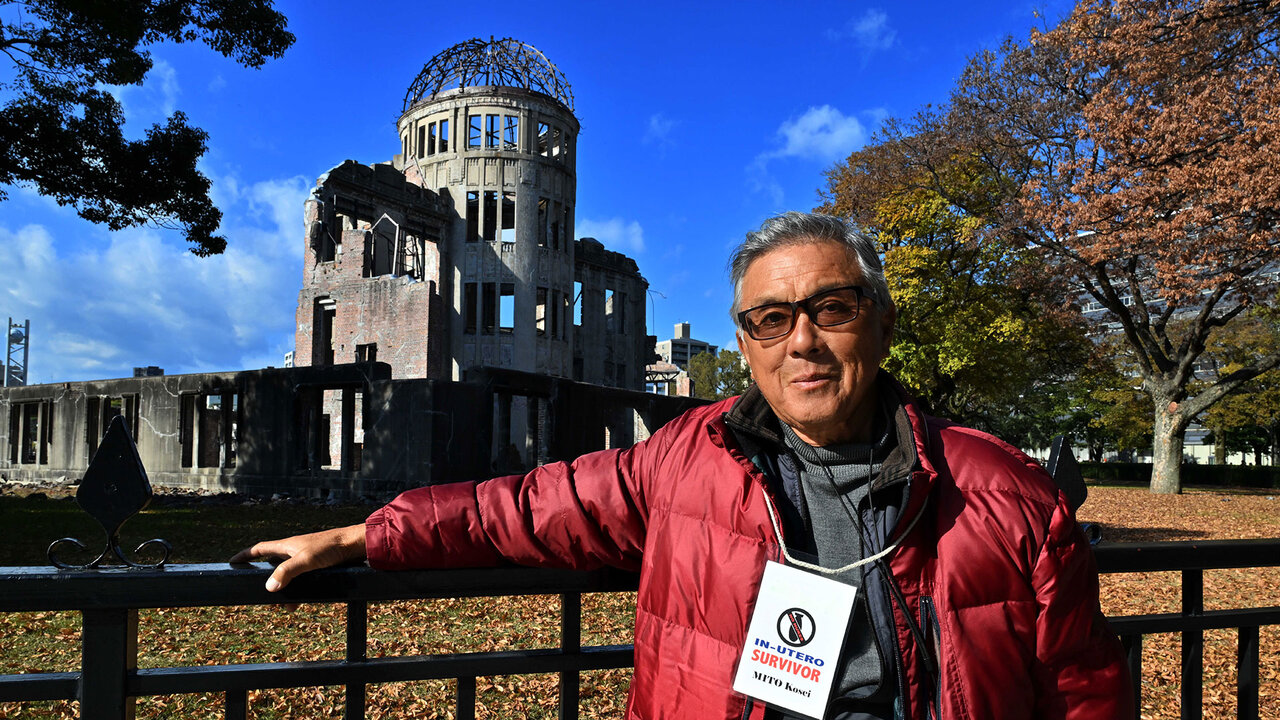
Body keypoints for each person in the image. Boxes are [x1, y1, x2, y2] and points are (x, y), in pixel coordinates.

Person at [234, 211, 1132, 719]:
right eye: (770, 320)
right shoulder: (685, 461)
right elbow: (529, 506)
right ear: (744, 344)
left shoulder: (1004, 492)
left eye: (834, 308)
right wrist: (363, 534)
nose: (804, 341)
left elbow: (1081, 693)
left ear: (883, 323)